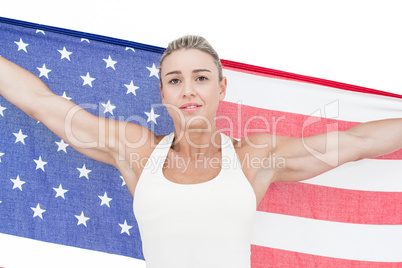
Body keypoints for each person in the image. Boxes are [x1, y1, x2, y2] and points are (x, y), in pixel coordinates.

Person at [0, 35, 401, 268]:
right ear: (162, 92)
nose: (188, 89)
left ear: (221, 88)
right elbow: (42, 103)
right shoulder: (138, 152)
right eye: (175, 80)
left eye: (201, 77)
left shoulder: (253, 157)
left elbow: (357, 143)